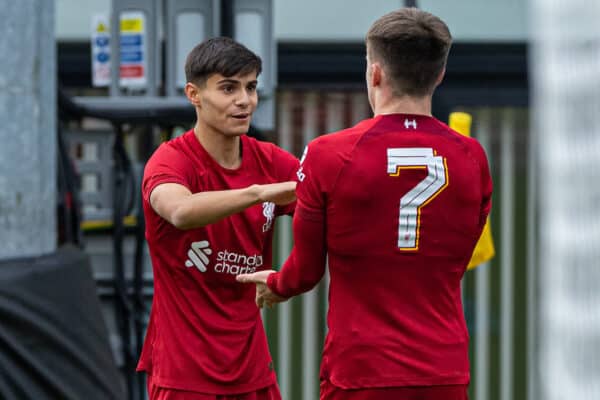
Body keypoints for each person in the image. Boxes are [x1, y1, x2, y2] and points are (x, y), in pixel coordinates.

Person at [238, 8, 492, 400]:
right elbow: (462, 252)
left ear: (375, 73)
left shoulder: (329, 154)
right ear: (439, 75)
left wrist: (274, 284)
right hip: (444, 369)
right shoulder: (472, 157)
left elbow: (305, 272)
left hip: (362, 369)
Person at [137, 37, 298, 400]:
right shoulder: (170, 161)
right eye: (228, 88)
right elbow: (179, 210)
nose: (244, 100)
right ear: (194, 94)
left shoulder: (271, 160)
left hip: (253, 369)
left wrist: (291, 279)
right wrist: (257, 193)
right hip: (184, 374)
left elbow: (331, 214)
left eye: (251, 87)